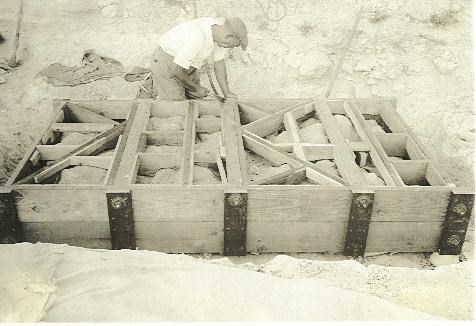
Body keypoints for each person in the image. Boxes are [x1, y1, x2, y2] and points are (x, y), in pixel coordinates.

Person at [151, 16, 247, 100]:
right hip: (167, 62)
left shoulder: (221, 36)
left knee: (197, 100)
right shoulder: (196, 37)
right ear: (228, 36)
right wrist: (196, 88)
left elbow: (219, 63)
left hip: (187, 64)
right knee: (176, 105)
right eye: (231, 46)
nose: (229, 48)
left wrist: (227, 93)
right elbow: (176, 71)